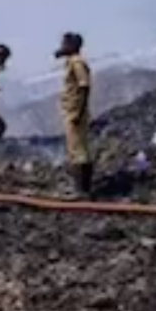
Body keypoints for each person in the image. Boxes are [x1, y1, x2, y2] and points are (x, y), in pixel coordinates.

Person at [56, 31, 93, 197]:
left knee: (78, 151)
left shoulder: (77, 63)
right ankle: (81, 188)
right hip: (72, 111)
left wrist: (79, 111)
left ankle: (81, 190)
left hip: (75, 112)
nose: (62, 46)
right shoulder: (71, 61)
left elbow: (84, 86)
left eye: (65, 44)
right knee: (76, 149)